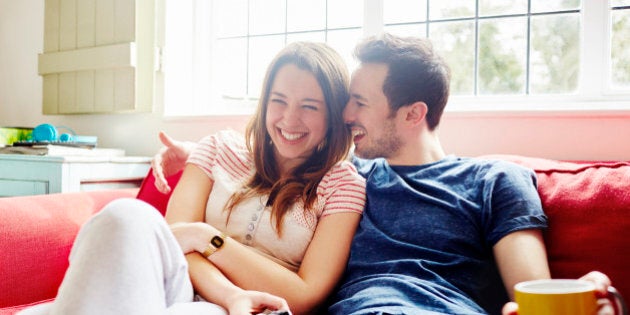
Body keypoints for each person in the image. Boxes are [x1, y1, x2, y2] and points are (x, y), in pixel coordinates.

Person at [150, 34, 617, 315]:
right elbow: (267, 162)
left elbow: (528, 292)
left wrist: (583, 301)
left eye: (360, 103)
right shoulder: (346, 179)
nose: (344, 112)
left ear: (413, 114)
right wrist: (197, 156)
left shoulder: (494, 181)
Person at [19, 41, 366, 315]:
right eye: (279, 101)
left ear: (333, 115)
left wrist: (206, 237)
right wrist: (230, 293)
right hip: (178, 282)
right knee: (126, 214)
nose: (290, 119)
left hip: (252, 306)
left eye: (310, 106)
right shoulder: (217, 148)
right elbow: (175, 241)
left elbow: (305, 295)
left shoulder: (343, 186)